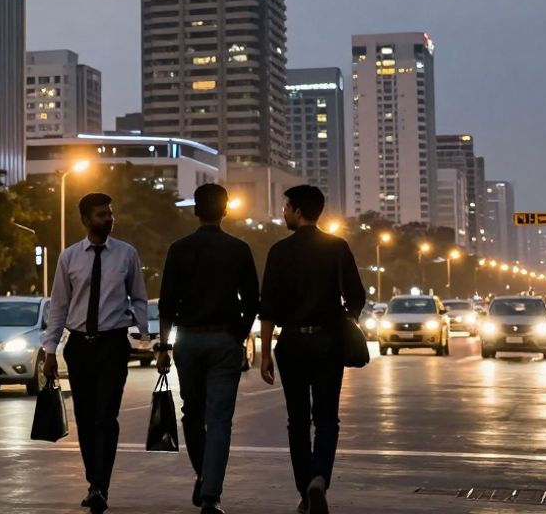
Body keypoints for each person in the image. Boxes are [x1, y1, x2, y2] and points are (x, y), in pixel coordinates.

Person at [258, 185, 365, 514]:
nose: (283, 213)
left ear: (297, 210)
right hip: (328, 341)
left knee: (298, 420)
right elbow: (357, 296)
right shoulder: (337, 247)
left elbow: (268, 309)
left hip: (291, 344)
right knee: (327, 418)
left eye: (285, 207)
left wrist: (264, 354)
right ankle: (320, 477)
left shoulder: (279, 251)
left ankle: (305, 491)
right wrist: (344, 318)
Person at [43, 192, 150, 514]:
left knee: (106, 417)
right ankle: (94, 483)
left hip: (113, 344)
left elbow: (140, 299)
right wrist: (50, 350)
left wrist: (144, 338)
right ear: (86, 220)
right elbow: (59, 306)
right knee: (86, 420)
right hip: (79, 345)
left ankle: (100, 485)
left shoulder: (127, 254)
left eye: (110, 213)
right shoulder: (69, 258)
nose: (109, 219)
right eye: (102, 214)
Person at [156, 183, 259, 514]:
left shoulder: (179, 249)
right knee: (219, 421)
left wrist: (163, 347)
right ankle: (211, 494)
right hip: (224, 340)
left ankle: (204, 474)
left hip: (188, 339)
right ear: (225, 210)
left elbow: (167, 304)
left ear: (195, 210)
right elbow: (253, 301)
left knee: (192, 412)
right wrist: (238, 336)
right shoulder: (239, 249)